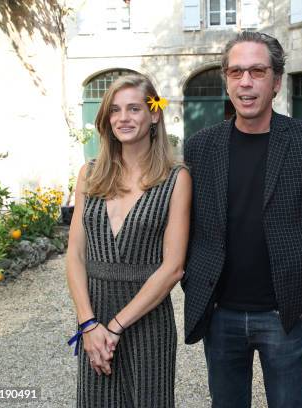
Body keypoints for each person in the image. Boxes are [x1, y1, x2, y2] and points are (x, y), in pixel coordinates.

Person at [183, 31, 302, 408]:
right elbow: (184, 227)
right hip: (219, 314)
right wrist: (195, 282)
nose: (246, 82)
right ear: (226, 79)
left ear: (277, 81)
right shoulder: (201, 147)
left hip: (283, 312)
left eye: (257, 71)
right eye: (236, 72)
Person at [66, 74, 191, 407]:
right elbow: (76, 254)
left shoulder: (175, 178)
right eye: (115, 110)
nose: (123, 118)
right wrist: (89, 324)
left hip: (148, 320)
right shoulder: (89, 174)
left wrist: (116, 326)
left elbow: (174, 267)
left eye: (134, 108)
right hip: (94, 316)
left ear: (154, 114)